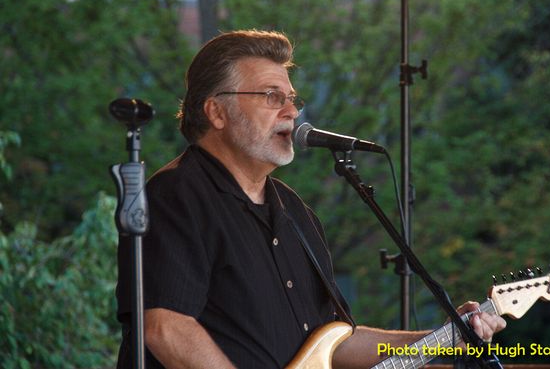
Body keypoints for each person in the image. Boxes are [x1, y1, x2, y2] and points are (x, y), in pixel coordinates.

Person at [116, 30, 506, 369]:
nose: (292, 112)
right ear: (217, 112)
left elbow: (332, 341)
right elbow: (165, 327)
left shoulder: (297, 214)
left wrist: (446, 337)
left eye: (292, 98)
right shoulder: (176, 195)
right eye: (272, 96)